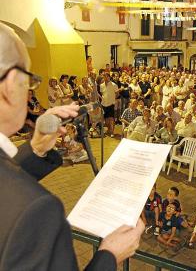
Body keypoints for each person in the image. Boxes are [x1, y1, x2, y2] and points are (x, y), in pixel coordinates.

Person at [0, 23, 143, 270]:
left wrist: (35, 149)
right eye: (29, 80)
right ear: (10, 84)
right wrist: (109, 255)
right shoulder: (37, 211)